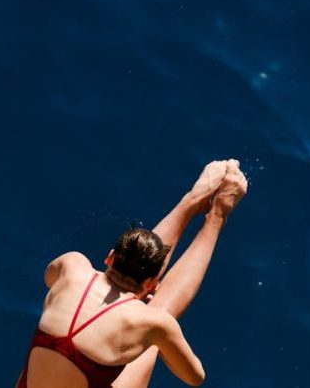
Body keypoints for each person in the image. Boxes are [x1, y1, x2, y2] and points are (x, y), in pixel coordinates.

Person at [17, 159, 248, 388]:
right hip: (143, 314)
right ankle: (217, 214)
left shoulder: (72, 265)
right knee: (157, 321)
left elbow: (50, 278)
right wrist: (154, 324)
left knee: (145, 328)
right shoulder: (153, 323)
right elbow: (195, 377)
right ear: (151, 282)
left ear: (110, 256)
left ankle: (192, 200)